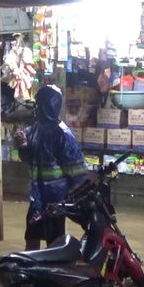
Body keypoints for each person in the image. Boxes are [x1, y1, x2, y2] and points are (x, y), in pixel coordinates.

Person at [14, 85, 89, 251]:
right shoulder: (34, 129)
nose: (36, 108)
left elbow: (77, 174)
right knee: (32, 237)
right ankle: (31, 272)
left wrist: (74, 201)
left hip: (56, 202)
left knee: (55, 243)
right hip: (37, 199)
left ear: (50, 106)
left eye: (39, 104)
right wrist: (23, 146)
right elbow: (29, 158)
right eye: (36, 104)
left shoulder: (63, 135)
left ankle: (52, 275)